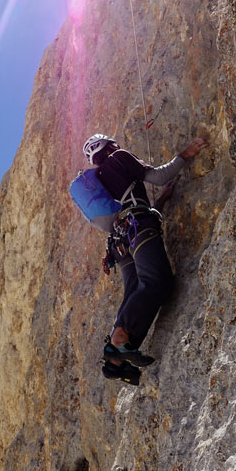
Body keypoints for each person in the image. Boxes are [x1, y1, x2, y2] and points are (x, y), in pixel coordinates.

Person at [79, 133, 208, 385]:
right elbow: (158, 177)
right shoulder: (118, 157)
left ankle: (117, 356)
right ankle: (120, 335)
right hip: (138, 226)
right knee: (156, 282)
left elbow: (128, 203)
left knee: (135, 292)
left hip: (120, 242)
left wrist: (160, 201)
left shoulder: (101, 179)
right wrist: (186, 153)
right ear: (109, 146)